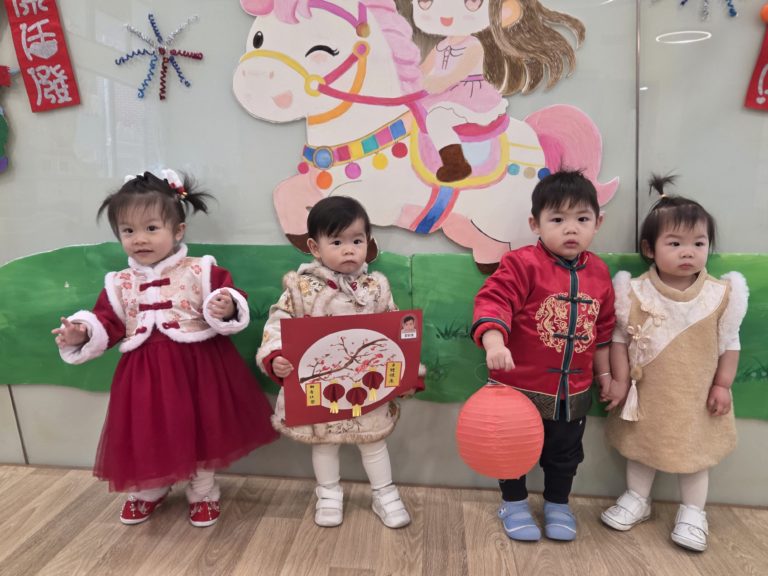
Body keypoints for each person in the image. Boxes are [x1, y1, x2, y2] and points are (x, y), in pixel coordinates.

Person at [52, 170, 278, 527]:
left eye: (151, 228)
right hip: (144, 376)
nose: (139, 239)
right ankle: (150, 488)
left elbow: (230, 297)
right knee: (149, 432)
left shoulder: (201, 270)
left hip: (199, 369)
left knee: (203, 429)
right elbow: (107, 321)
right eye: (128, 231)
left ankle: (203, 490)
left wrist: (226, 306)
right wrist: (82, 333)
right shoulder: (119, 282)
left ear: (178, 230)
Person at [600, 175, 748, 552]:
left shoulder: (720, 294)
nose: (688, 252)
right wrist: (619, 380)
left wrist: (723, 384)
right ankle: (637, 498)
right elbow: (619, 340)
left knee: (696, 456)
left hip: (697, 398)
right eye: (675, 243)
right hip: (647, 397)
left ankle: (694, 511)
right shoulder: (634, 292)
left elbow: (730, 342)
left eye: (699, 243)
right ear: (649, 249)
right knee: (641, 448)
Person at [257, 196, 417, 529]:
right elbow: (277, 323)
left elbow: (395, 330)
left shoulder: (375, 288)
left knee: (373, 441)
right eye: (337, 242)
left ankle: (384, 493)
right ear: (315, 247)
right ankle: (329, 494)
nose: (348, 250)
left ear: (368, 242)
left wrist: (407, 371)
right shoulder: (301, 289)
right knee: (324, 442)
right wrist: (276, 357)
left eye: (357, 241)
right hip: (319, 384)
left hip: (367, 385)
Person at [471, 170, 615, 541]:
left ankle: (557, 504)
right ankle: (514, 503)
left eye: (582, 219)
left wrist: (605, 377)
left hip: (572, 392)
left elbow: (603, 332)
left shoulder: (600, 273)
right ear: (535, 223)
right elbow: (494, 301)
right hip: (518, 387)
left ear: (597, 223)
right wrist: (494, 343)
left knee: (565, 454)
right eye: (557, 220)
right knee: (510, 448)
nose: (571, 229)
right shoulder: (521, 264)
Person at [407, 0, 585, 182]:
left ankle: (456, 163)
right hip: (445, 93)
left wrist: (435, 83)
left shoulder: (473, 46)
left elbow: (456, 75)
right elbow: (423, 69)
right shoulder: (442, 46)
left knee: (437, 118)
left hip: (468, 96)